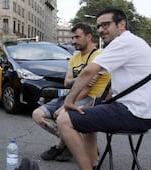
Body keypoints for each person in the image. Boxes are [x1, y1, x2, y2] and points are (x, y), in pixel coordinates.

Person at [56, 8, 151, 170]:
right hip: (141, 112)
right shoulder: (134, 43)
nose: (100, 30)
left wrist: (69, 102)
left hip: (133, 113)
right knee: (86, 116)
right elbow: (117, 89)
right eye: (98, 26)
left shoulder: (123, 43)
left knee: (64, 119)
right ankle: (92, 166)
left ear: (121, 24)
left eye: (106, 24)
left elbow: (89, 71)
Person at [32, 22, 111, 161]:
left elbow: (86, 88)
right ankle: (74, 142)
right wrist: (80, 79)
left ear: (88, 37)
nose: (73, 41)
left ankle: (59, 147)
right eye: (72, 37)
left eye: (77, 37)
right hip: (71, 94)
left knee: (62, 115)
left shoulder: (98, 56)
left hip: (90, 98)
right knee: (37, 115)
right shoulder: (75, 57)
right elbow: (67, 82)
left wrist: (65, 106)